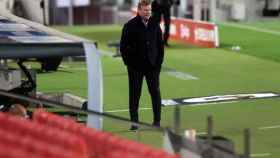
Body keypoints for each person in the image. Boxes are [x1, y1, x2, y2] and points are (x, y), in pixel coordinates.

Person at [120, 0, 164, 130]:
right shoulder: (129, 25)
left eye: (149, 10)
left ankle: (157, 122)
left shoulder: (155, 24)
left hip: (152, 67)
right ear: (139, 10)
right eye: (145, 10)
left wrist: (158, 65)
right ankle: (134, 123)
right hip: (135, 67)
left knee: (155, 93)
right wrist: (129, 63)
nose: (148, 12)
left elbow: (160, 47)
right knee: (134, 95)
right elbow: (123, 47)